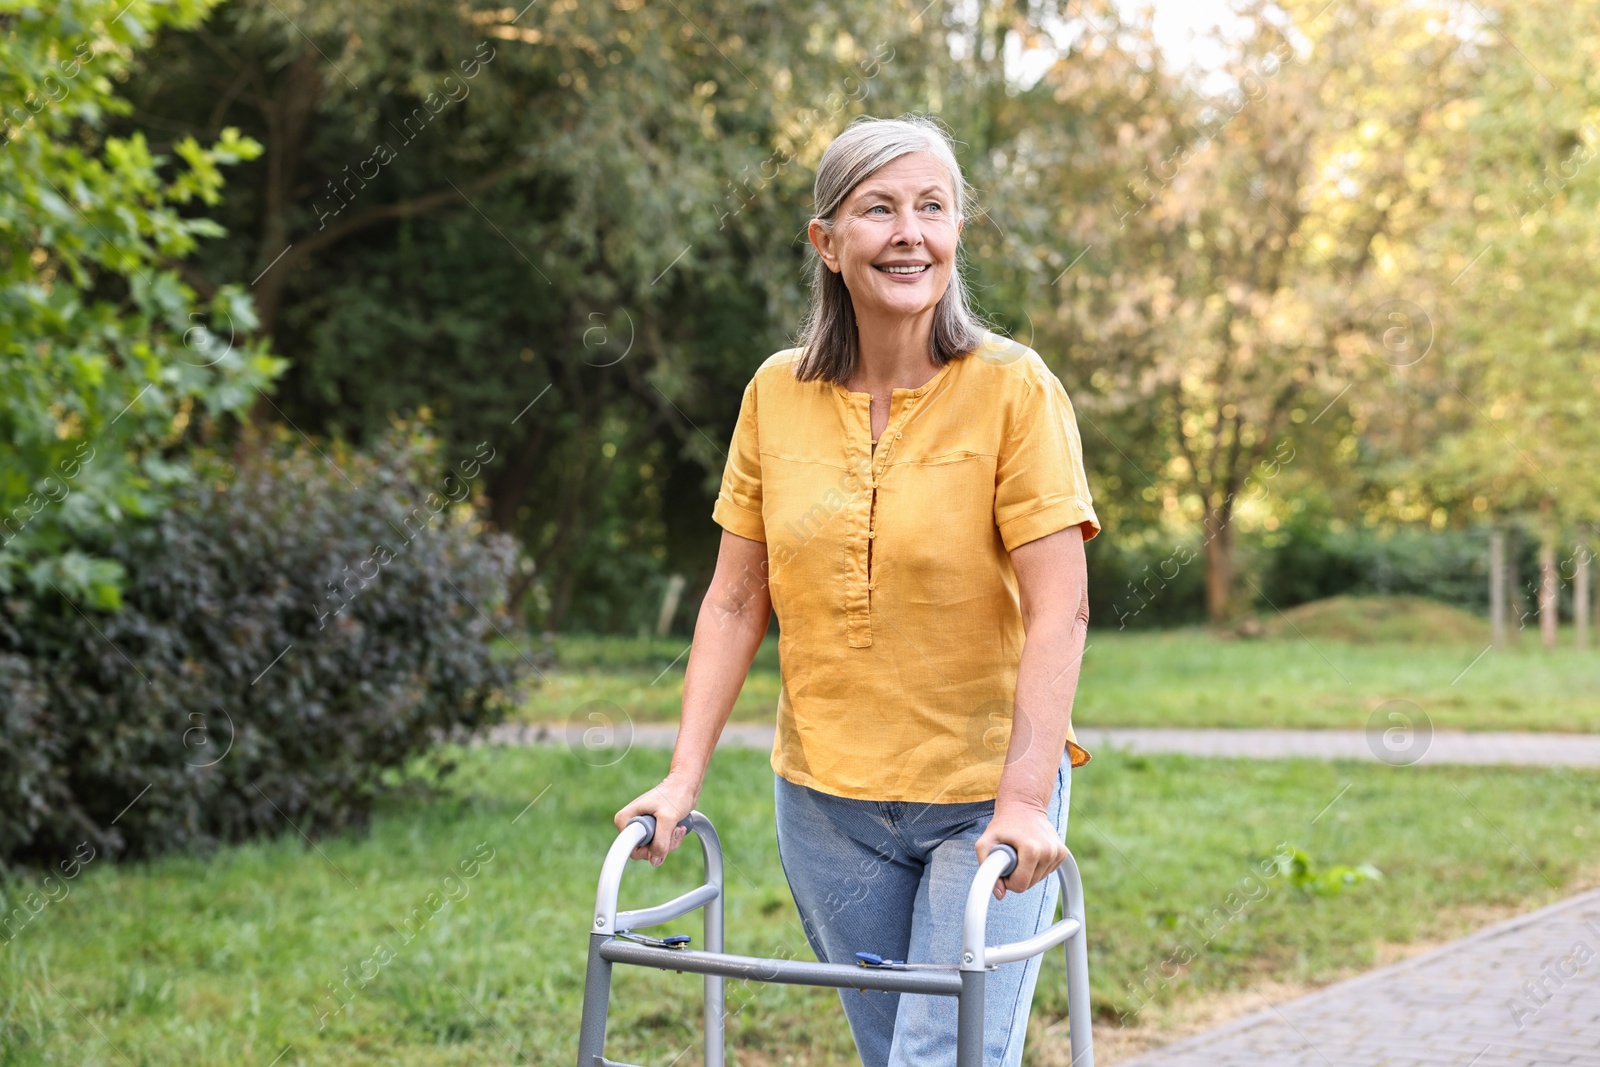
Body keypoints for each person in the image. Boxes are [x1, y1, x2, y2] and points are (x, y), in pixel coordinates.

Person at [613, 114, 1100, 1067]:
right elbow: (731, 601)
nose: (910, 232)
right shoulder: (774, 392)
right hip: (826, 801)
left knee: (941, 1058)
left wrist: (1023, 798)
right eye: (879, 209)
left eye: (934, 208)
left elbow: (1062, 606)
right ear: (827, 244)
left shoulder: (1015, 388)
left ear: (957, 232)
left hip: (982, 799)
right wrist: (681, 777)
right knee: (898, 1058)